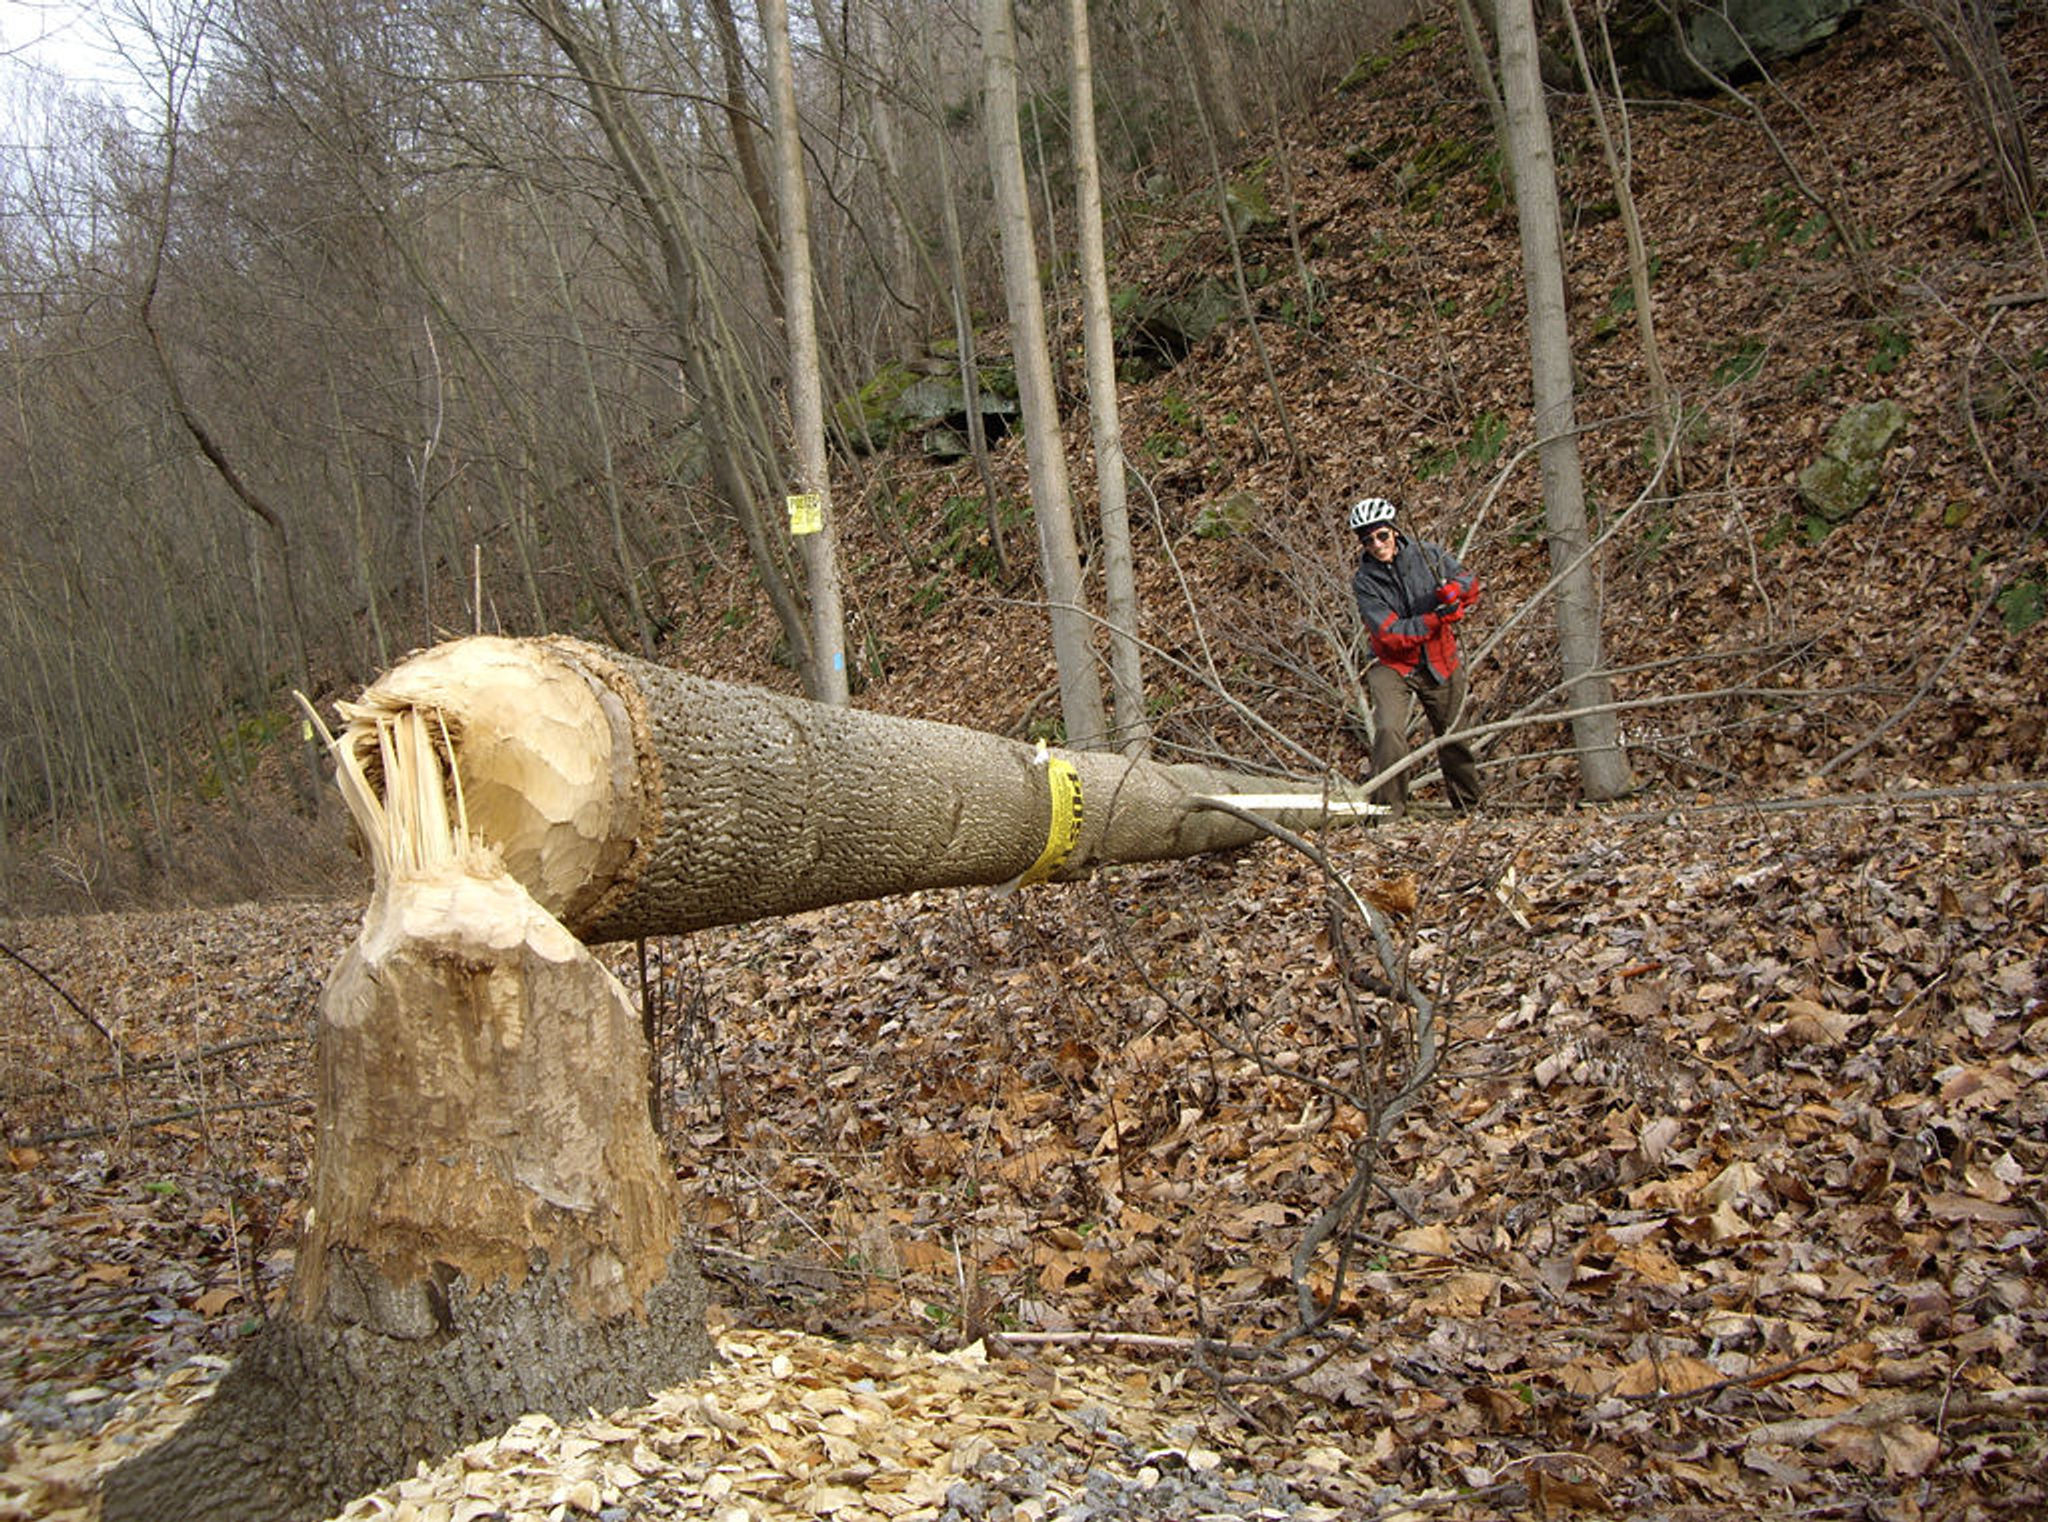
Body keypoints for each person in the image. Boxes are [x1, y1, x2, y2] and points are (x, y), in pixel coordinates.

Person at [1348, 495, 1483, 816]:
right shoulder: (1365, 581)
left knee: (1455, 736)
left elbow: (1469, 581)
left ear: (1393, 531)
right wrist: (1436, 618)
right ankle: (1389, 812)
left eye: (1382, 535)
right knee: (1388, 731)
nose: (1377, 545)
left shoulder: (1429, 555)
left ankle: (1470, 807)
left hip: (1439, 658)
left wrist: (1456, 592)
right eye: (1368, 541)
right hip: (1391, 663)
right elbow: (1390, 633)